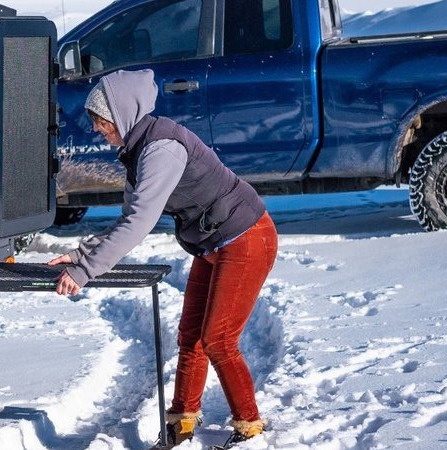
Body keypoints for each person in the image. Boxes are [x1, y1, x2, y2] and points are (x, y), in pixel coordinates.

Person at [47, 69, 278, 447]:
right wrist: (78, 254)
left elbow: (140, 222)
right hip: (212, 241)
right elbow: (127, 218)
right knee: (191, 336)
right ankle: (182, 422)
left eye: (101, 121)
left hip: (246, 236)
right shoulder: (138, 152)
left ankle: (248, 425)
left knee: (218, 338)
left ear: (121, 114)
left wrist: (85, 271)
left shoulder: (160, 150)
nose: (97, 130)